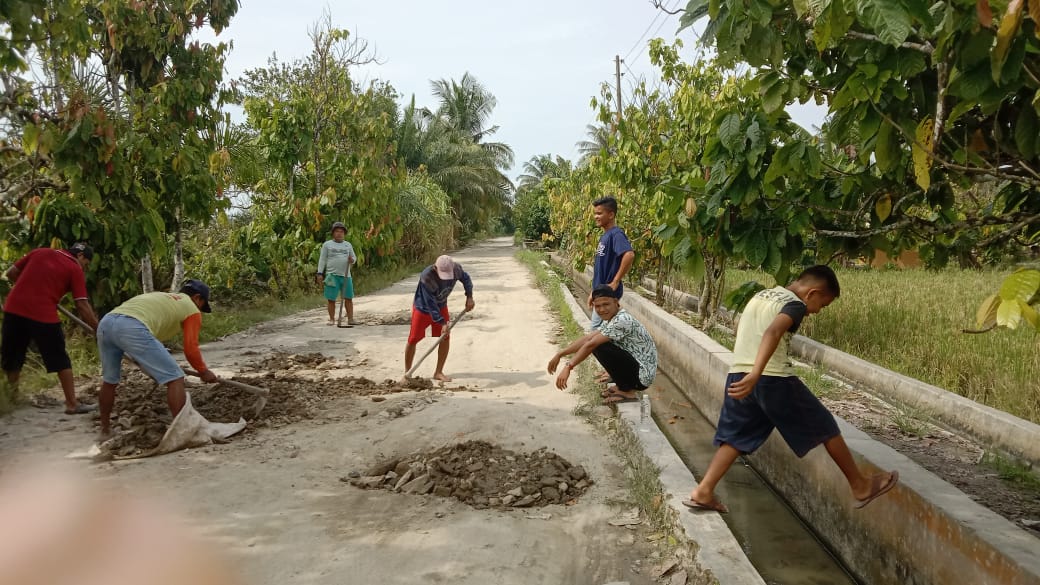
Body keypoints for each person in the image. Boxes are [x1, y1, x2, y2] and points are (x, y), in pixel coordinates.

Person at [685, 266, 899, 513]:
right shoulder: (795, 305)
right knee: (825, 426)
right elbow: (773, 331)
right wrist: (757, 373)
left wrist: (750, 373)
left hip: (738, 374)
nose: (816, 312)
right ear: (812, 293)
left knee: (735, 437)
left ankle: (703, 491)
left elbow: (747, 331)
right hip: (771, 378)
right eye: (822, 305)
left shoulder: (762, 295)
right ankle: (860, 485)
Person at [96, 280, 219, 437]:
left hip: (106, 323)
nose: (200, 310)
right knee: (175, 378)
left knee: (109, 381)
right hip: (132, 327)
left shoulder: (164, 299)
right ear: (197, 298)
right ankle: (183, 433)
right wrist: (203, 371)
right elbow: (191, 348)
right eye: (202, 305)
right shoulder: (191, 308)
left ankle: (105, 430)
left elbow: (148, 347)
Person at [1, 243, 99, 414]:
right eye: (86, 263)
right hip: (42, 313)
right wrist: (98, 329)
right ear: (81, 256)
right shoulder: (74, 267)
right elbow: (82, 305)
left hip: (14, 308)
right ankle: (72, 404)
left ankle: (12, 400)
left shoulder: (40, 252)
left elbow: (10, 274)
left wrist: (33, 286)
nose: (85, 267)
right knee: (59, 358)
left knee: (13, 355)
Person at [547, 285, 658, 404]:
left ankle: (627, 391)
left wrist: (568, 367)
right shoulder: (612, 318)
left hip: (642, 377)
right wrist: (560, 354)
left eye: (606, 304)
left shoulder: (622, 320)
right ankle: (623, 385)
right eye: (597, 306)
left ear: (616, 302)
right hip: (637, 370)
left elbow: (591, 344)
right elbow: (588, 338)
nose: (602, 309)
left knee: (598, 345)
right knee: (596, 342)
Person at [404, 255, 474, 382]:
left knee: (445, 337)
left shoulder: (456, 269)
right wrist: (442, 323)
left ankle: (438, 372)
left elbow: (466, 279)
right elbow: (430, 304)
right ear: (435, 268)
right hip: (423, 308)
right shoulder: (427, 276)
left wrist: (469, 296)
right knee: (413, 338)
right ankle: (408, 373)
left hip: (441, 306)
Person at [588, 196, 635, 330]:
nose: (596, 217)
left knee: (596, 331)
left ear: (611, 215)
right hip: (601, 292)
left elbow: (629, 254)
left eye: (599, 213)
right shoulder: (606, 236)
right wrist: (594, 292)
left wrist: (615, 281)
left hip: (607, 294)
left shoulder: (616, 234)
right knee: (603, 331)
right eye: (595, 213)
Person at [315, 221, 358, 326]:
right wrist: (320, 273)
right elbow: (322, 259)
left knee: (348, 298)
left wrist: (352, 260)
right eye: (337, 231)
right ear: (333, 233)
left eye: (341, 232)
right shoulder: (327, 245)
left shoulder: (348, 245)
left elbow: (354, 258)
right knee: (331, 299)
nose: (339, 233)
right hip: (331, 276)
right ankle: (331, 319)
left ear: (344, 233)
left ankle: (351, 319)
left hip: (346, 276)